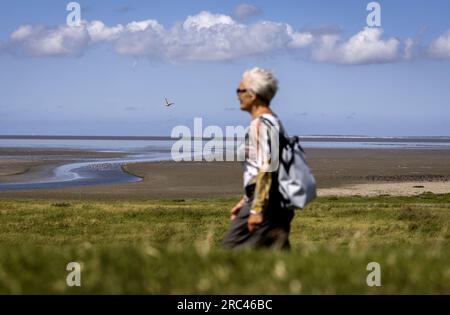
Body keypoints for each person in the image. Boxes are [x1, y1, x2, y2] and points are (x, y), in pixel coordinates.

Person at [222, 67, 295, 250]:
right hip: (273, 201)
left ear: (253, 94)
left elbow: (267, 168)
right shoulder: (272, 122)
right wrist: (246, 200)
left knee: (230, 251)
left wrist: (256, 209)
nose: (237, 95)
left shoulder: (262, 124)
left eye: (240, 90)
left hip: (267, 203)